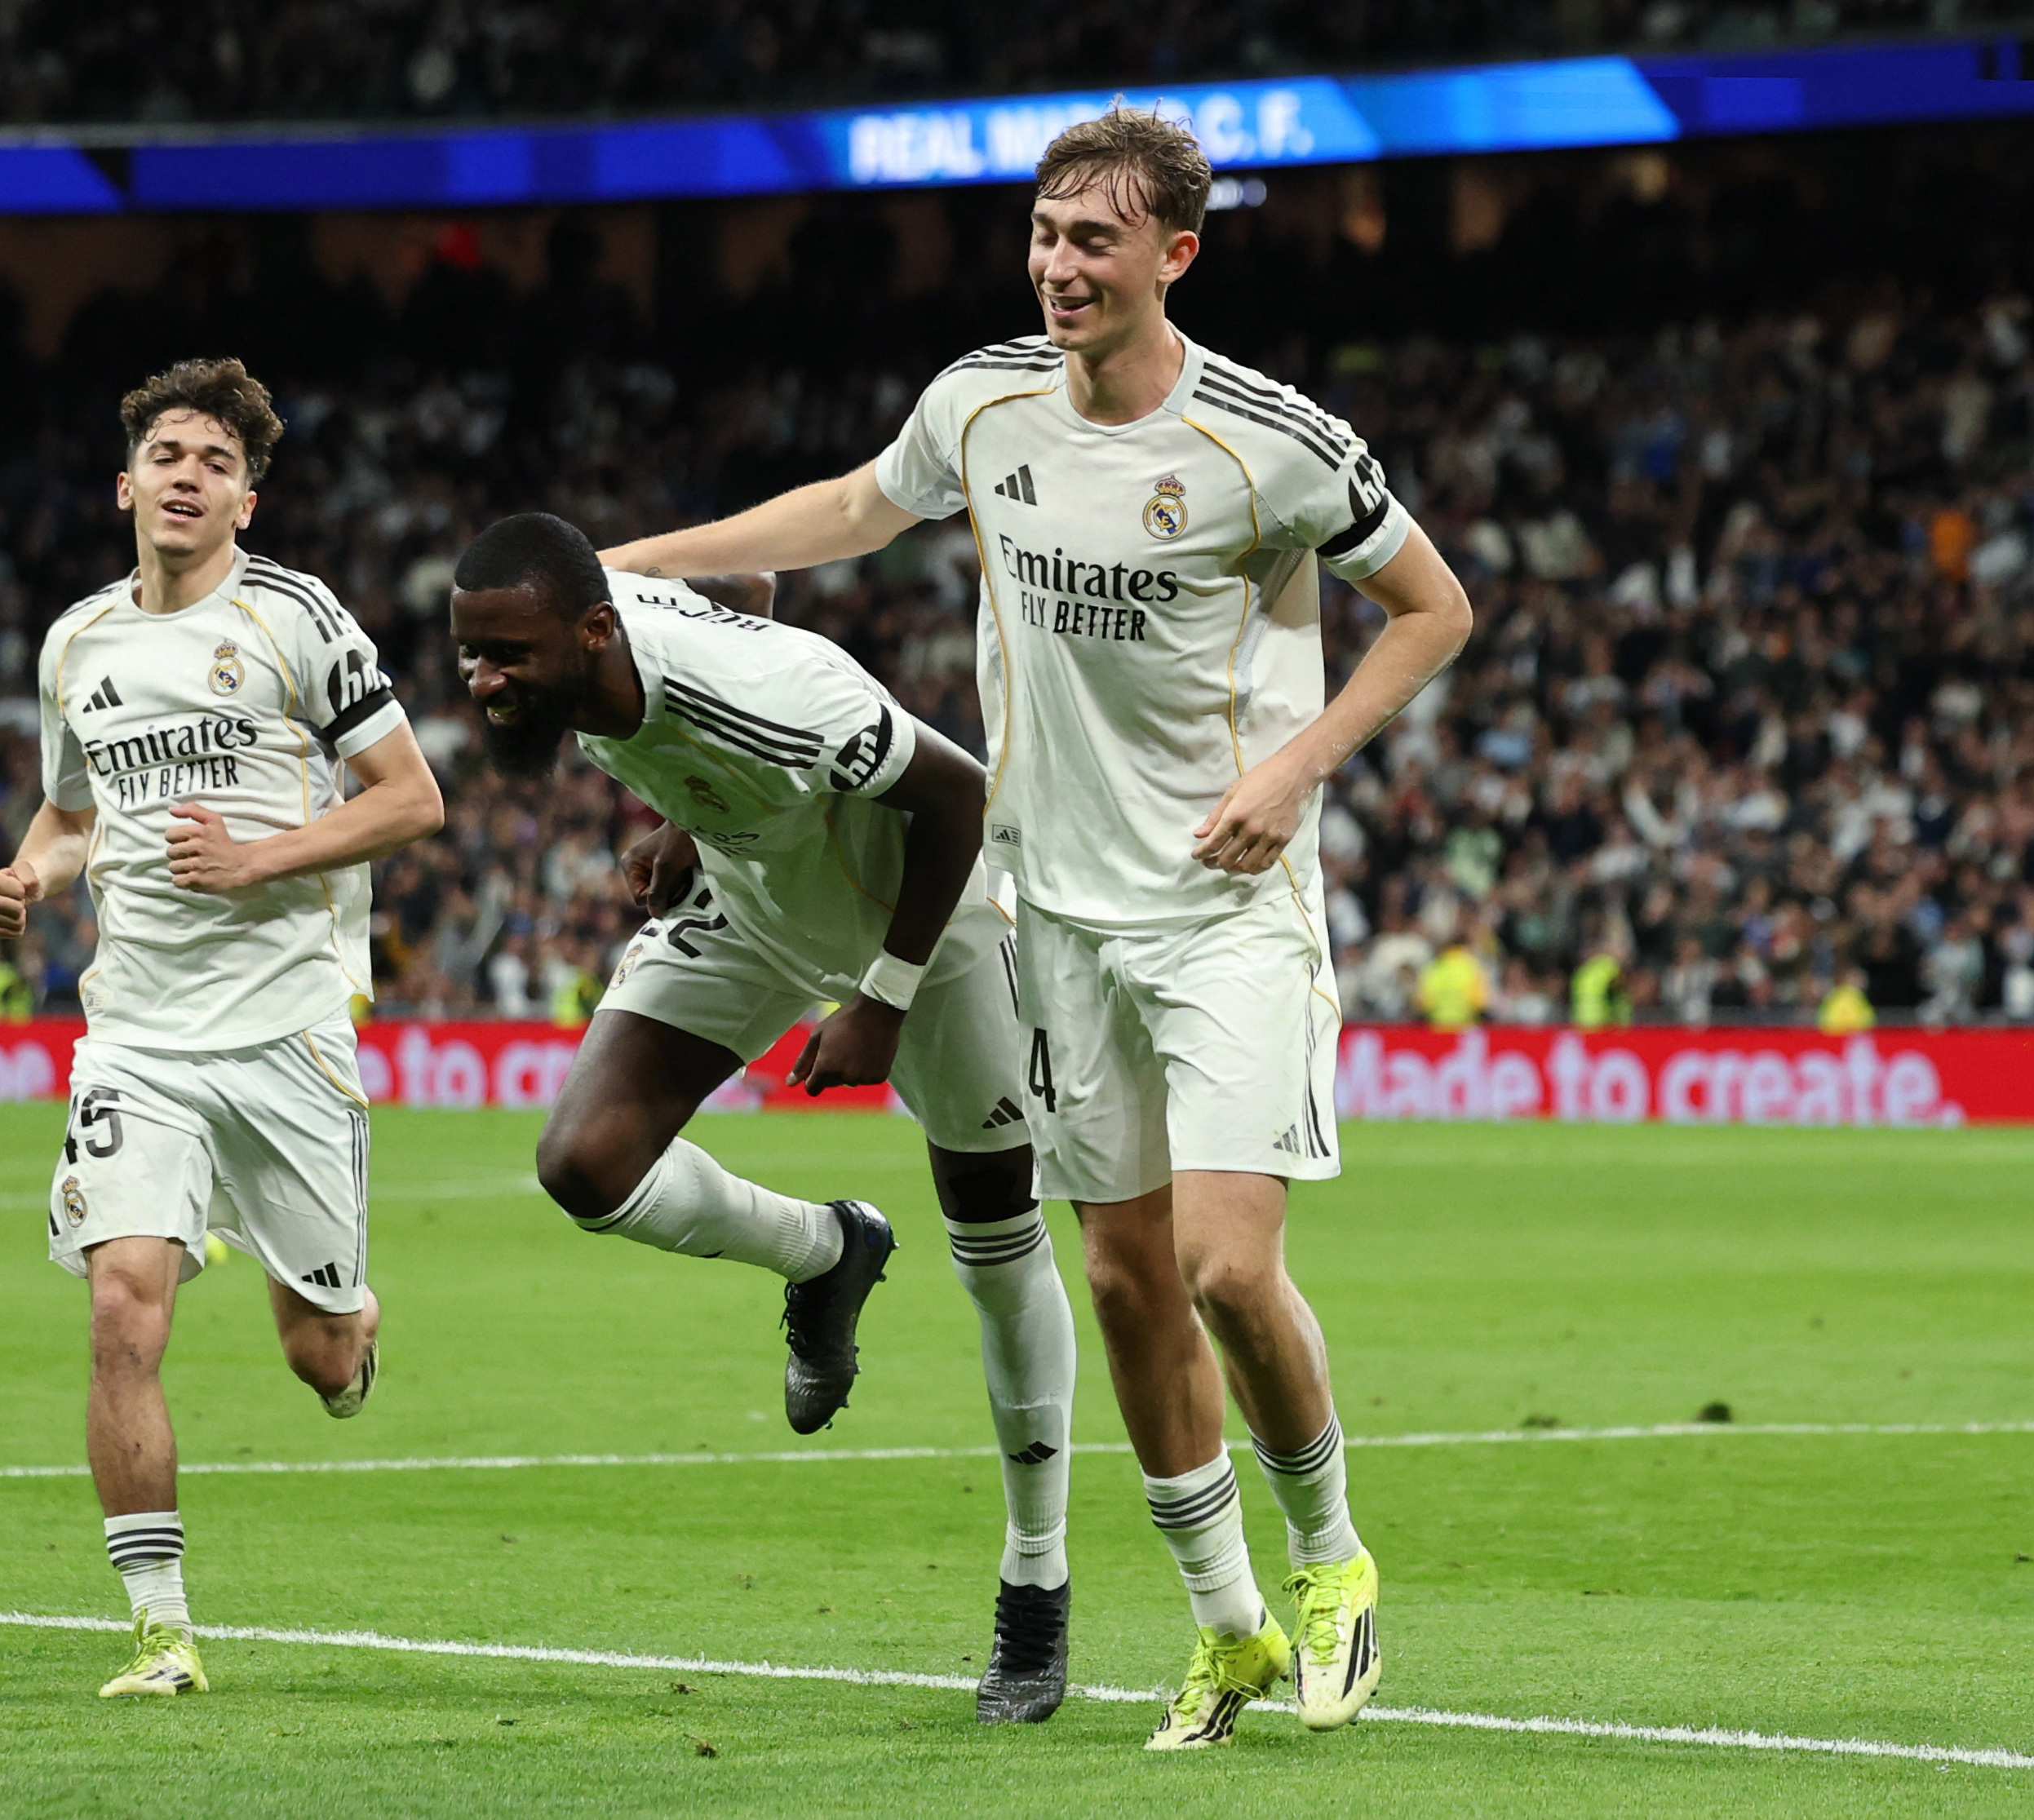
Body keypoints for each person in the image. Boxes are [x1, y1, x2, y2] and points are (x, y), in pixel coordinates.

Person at [600, 108, 1473, 1747]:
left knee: (1221, 1265)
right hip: (1052, 911)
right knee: (1129, 1284)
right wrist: (632, 563)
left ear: (1173, 257)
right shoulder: (980, 401)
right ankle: (1221, 1629)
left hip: (1222, 910)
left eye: (1093, 240)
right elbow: (850, 513)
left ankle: (1331, 1557)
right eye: (1042, 234)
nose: (1058, 266)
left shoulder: (1265, 442)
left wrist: (1296, 768)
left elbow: (1433, 608)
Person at [449, 512, 1083, 1725]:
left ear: (589, 632)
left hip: (932, 925)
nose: (485, 681)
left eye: (508, 656)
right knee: (587, 1163)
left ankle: (1034, 1583)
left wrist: (885, 1007)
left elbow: (954, 794)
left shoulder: (772, 699)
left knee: (999, 1251)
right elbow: (746, 578)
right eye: (471, 654)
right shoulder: (596, 626)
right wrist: (689, 820)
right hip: (755, 901)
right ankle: (830, 1250)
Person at [0, 358, 445, 1701]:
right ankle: (162, 1630)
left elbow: (413, 800)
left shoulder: (298, 618)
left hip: (286, 1030)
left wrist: (264, 857)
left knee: (321, 1357)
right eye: (167, 455)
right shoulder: (77, 645)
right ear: (126, 485)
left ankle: (347, 1312)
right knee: (124, 1309)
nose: (188, 476)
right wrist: (31, 875)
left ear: (249, 494)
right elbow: (73, 820)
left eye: (215, 461)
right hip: (137, 1036)